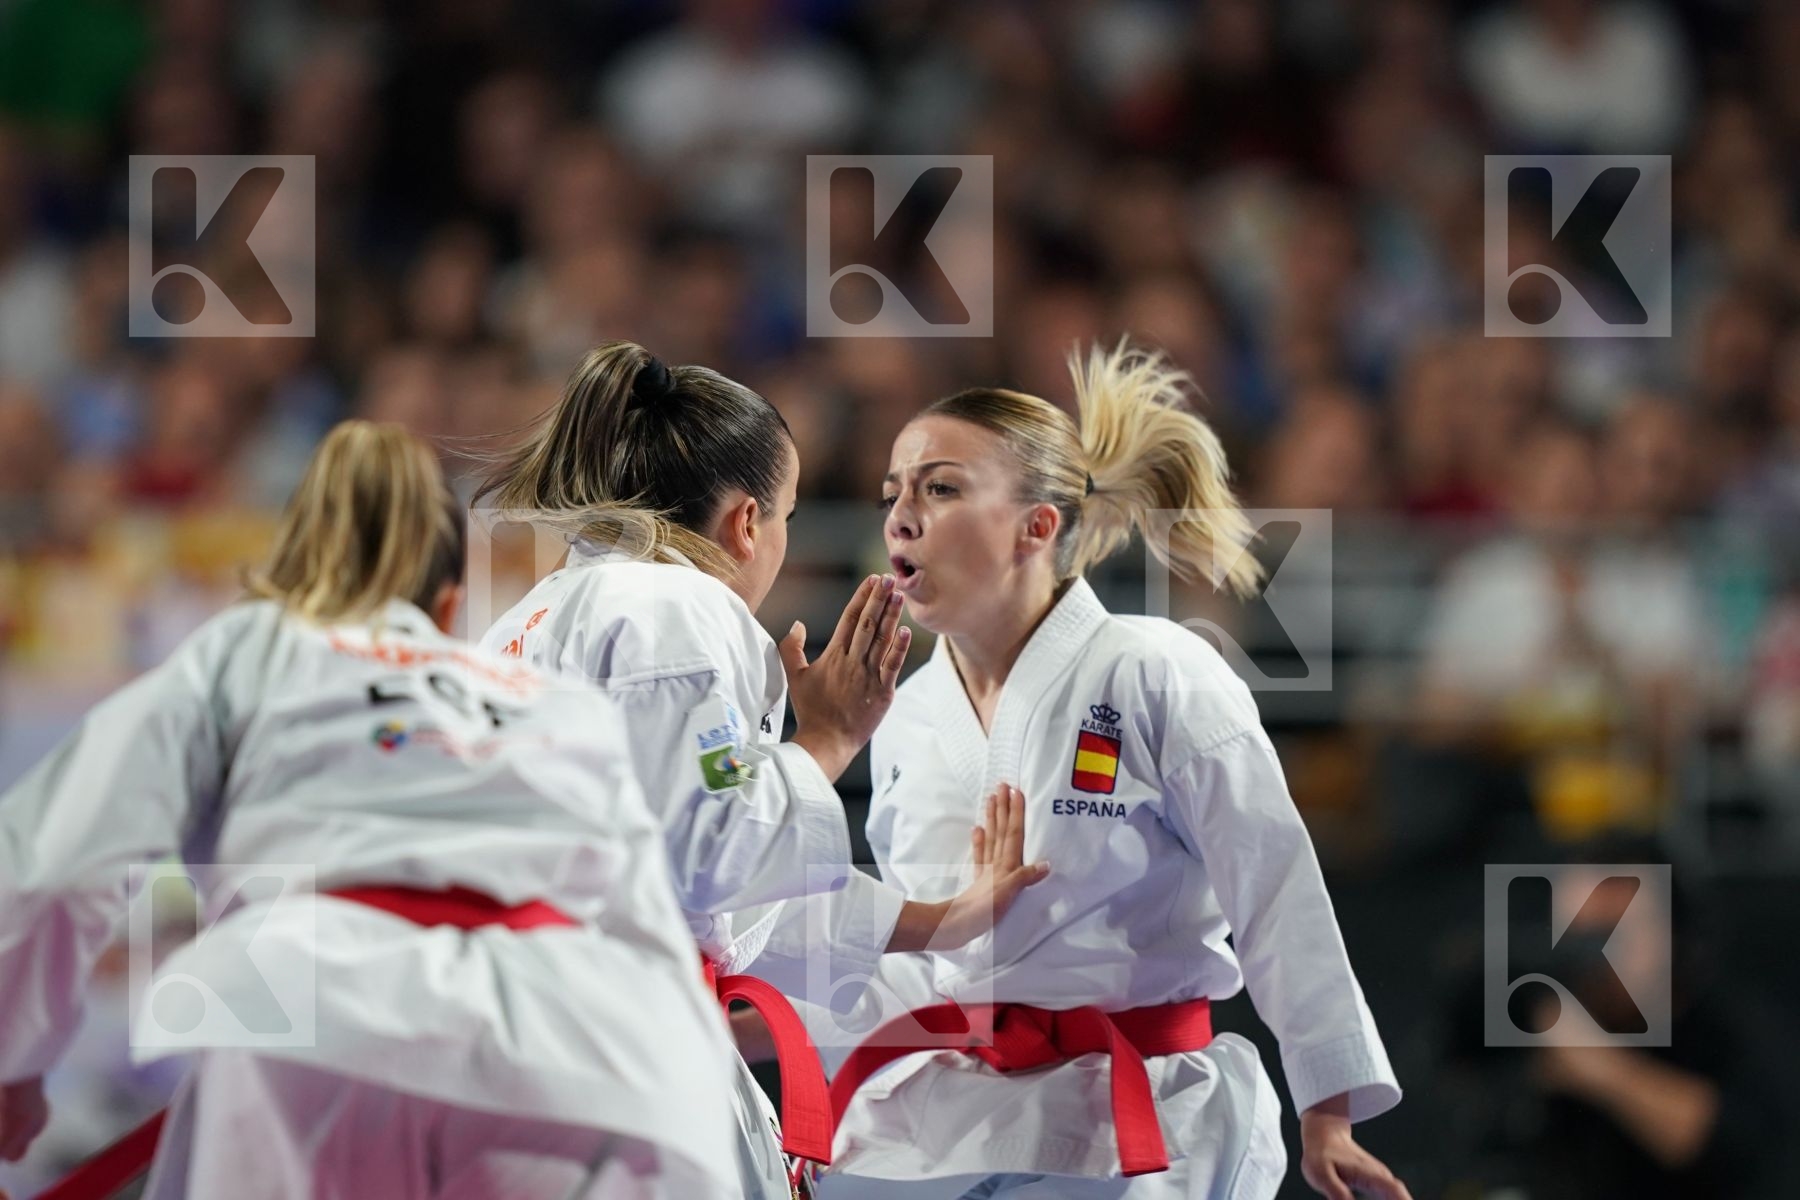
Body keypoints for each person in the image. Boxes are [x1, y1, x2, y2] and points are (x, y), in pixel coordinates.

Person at [0, 421, 741, 1199]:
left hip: (318, 1014)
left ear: (289, 570)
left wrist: (15, 1059)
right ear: (449, 605)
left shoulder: (249, 647)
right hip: (588, 1050)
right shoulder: (554, 703)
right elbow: (651, 929)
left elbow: (53, 868)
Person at [819, 343, 1410, 1199]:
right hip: (956, 1111)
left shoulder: (1154, 671)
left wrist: (1329, 1106)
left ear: (1036, 527)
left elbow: (1275, 889)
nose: (900, 517)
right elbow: (921, 956)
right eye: (892, 494)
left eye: (940, 488)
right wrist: (774, 1018)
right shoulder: (905, 714)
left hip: (1143, 1109)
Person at [474, 342, 1049, 1199]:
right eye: (786, 516)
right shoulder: (675, 604)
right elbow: (705, 856)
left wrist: (939, 922)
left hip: (544, 1045)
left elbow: (713, 903)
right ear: (747, 523)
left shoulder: (529, 618)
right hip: (613, 1069)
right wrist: (828, 739)